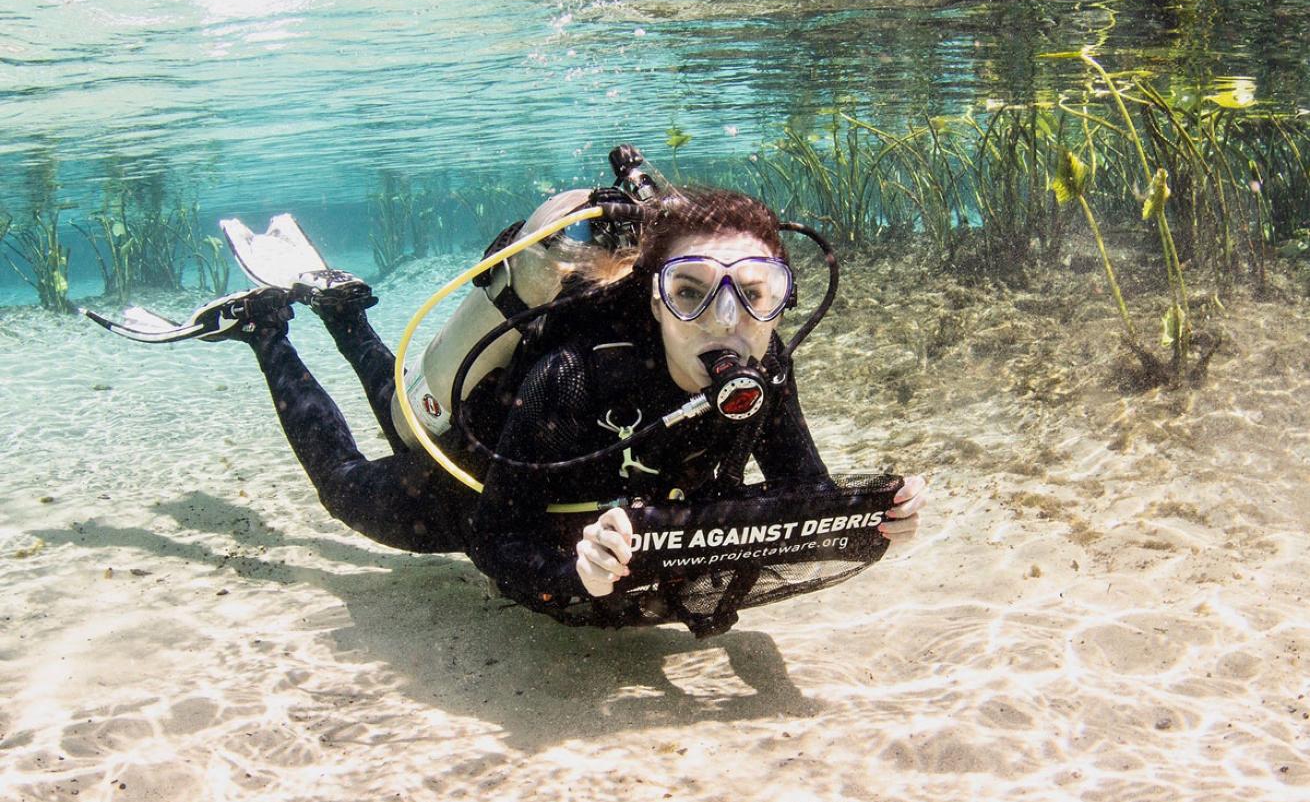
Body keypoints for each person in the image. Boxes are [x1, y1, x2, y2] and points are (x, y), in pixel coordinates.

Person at [88, 183, 927, 629]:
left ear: (785, 299)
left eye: (756, 293)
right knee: (354, 480)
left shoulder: (765, 367)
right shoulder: (574, 374)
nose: (727, 321)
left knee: (402, 407)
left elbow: (797, 494)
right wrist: (572, 576)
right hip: (479, 479)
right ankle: (269, 328)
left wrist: (869, 518)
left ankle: (344, 310)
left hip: (551, 481)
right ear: (653, 298)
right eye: (693, 291)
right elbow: (494, 536)